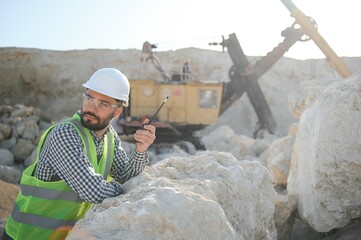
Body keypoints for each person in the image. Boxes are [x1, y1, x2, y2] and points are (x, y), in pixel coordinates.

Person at [1, 68, 156, 240]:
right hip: (27, 236)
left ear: (117, 112)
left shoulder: (110, 137)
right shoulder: (65, 134)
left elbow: (125, 175)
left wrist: (140, 149)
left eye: (103, 104)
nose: (91, 108)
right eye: (89, 98)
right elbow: (93, 191)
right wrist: (131, 192)